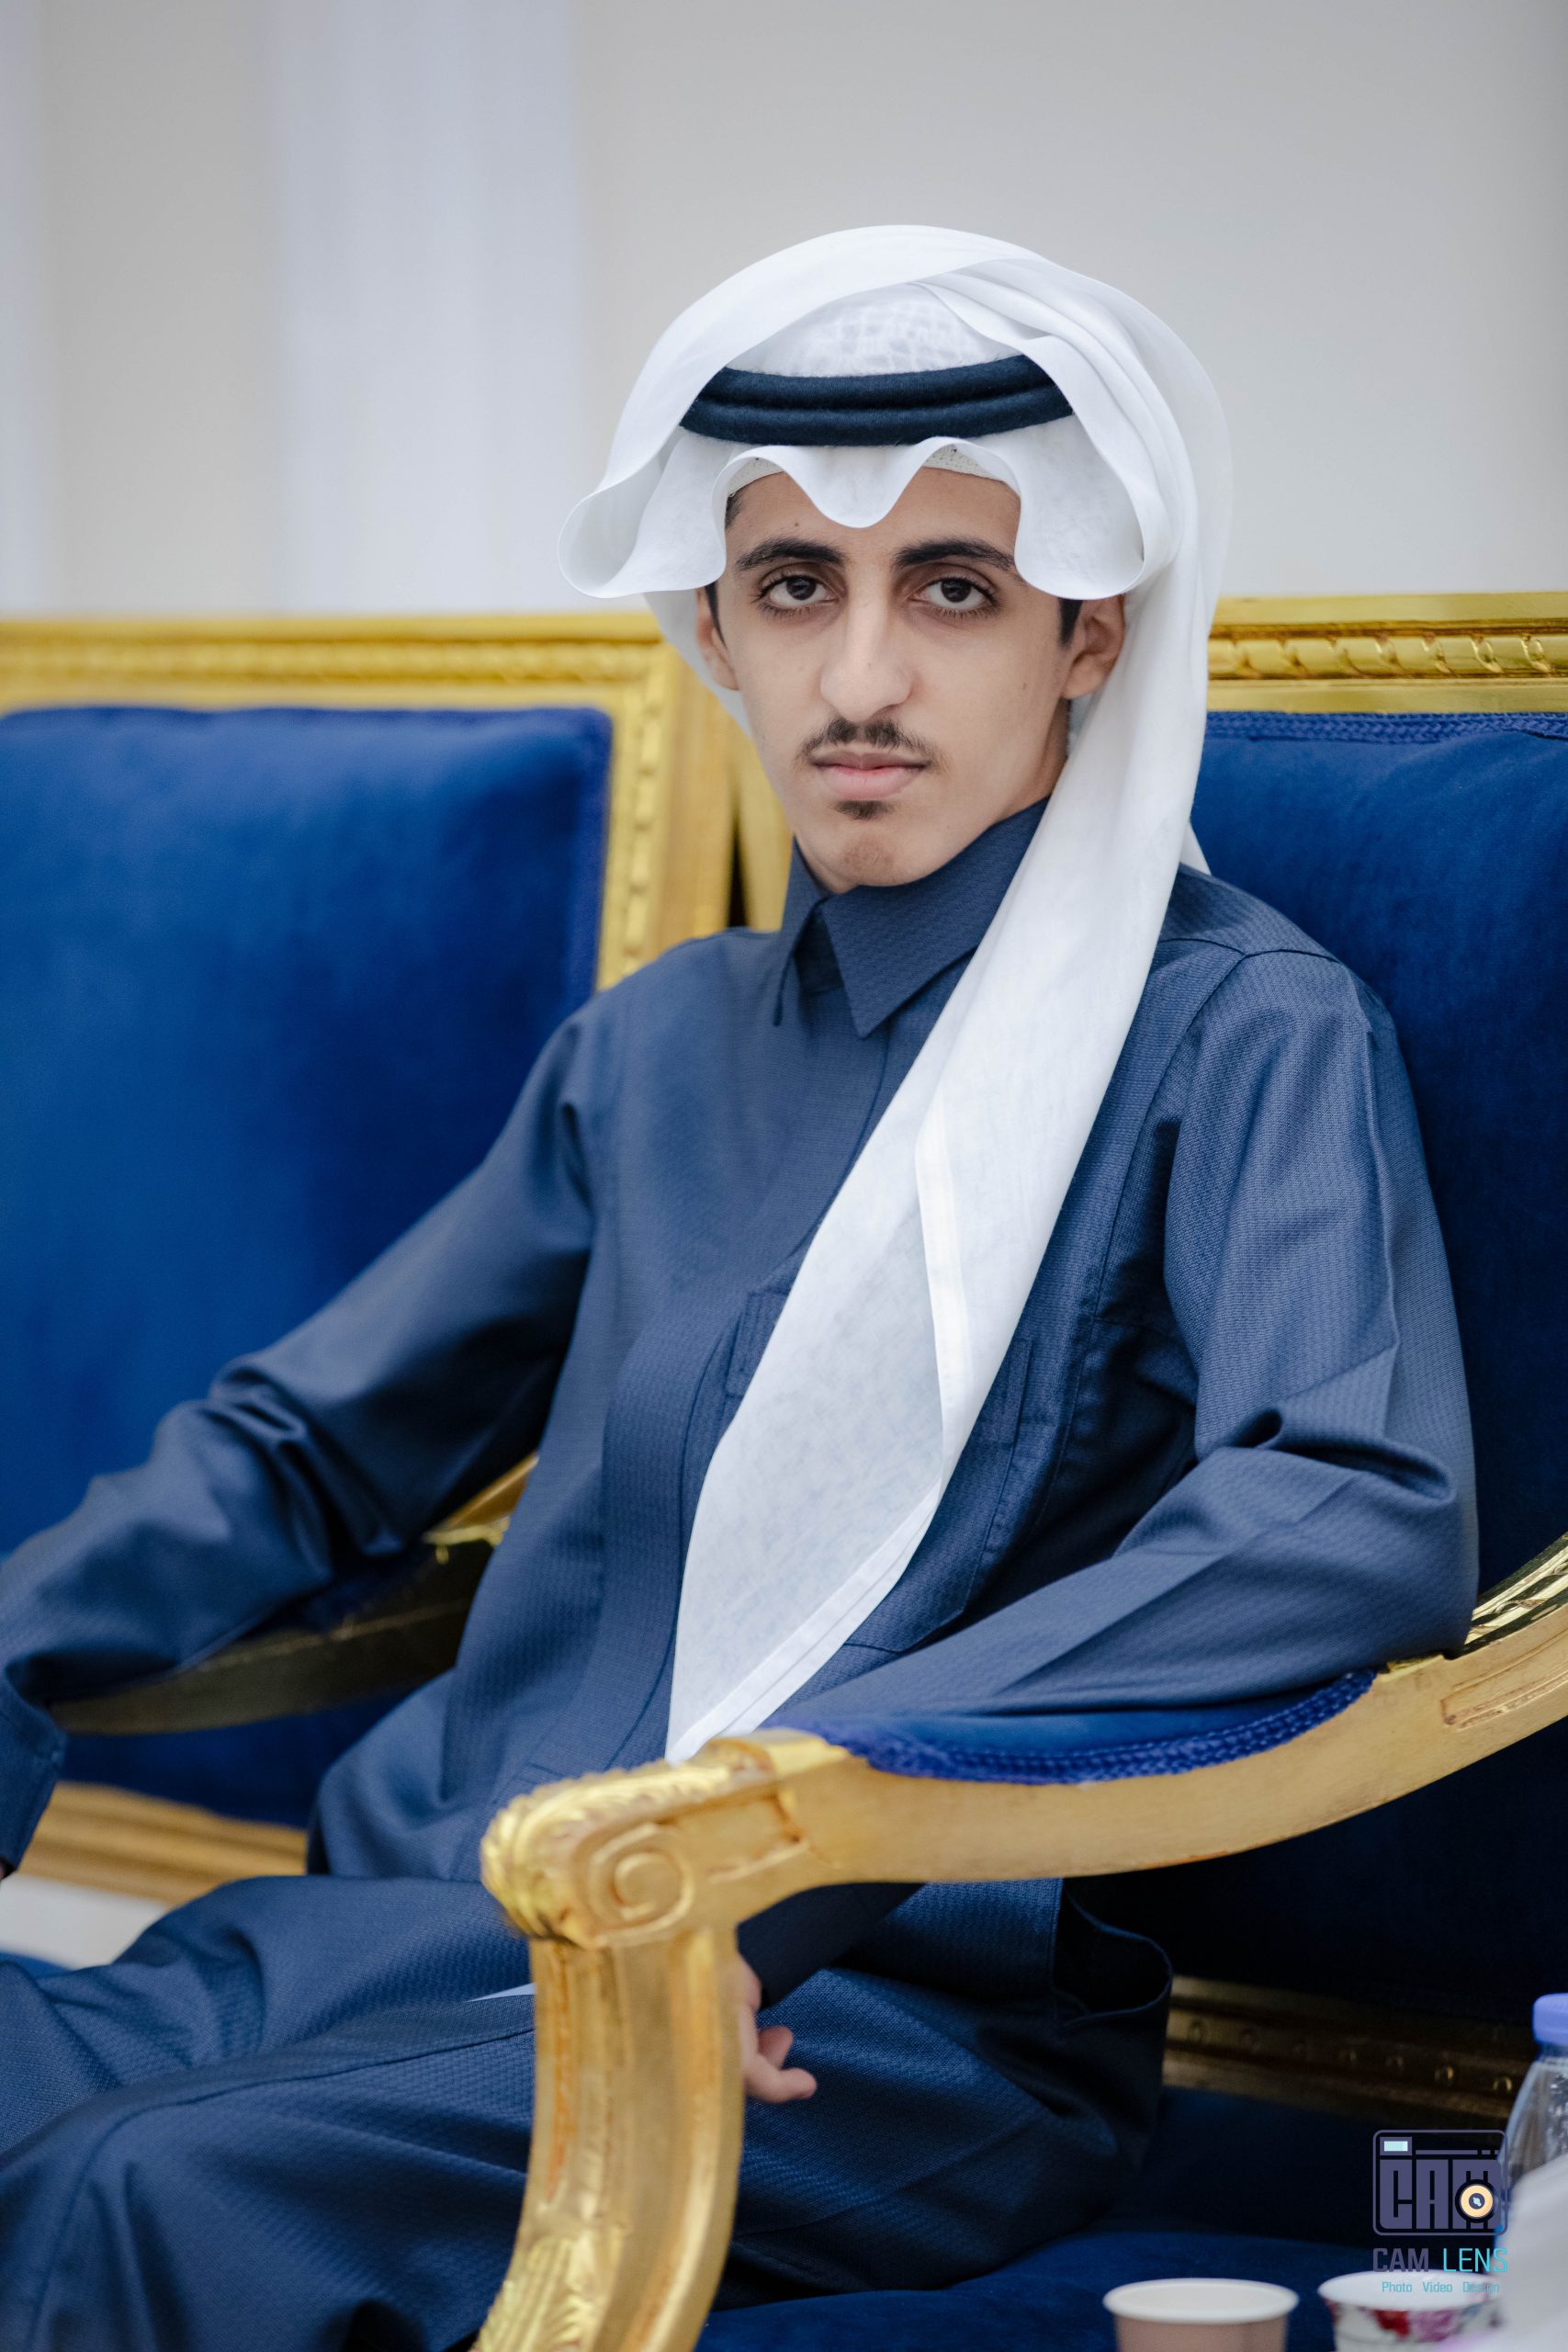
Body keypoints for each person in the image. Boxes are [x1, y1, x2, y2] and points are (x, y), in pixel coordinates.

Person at [0, 228, 1477, 2351]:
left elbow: (1344, 1508)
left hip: (864, 2023)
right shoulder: (656, 1044)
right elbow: (307, 1444)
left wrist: (771, 1839)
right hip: (408, 1927)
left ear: (1085, 630)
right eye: (795, 586)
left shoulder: (1233, 1033)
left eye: (948, 590)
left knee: (137, 2193)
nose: (857, 680)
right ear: (713, 620)